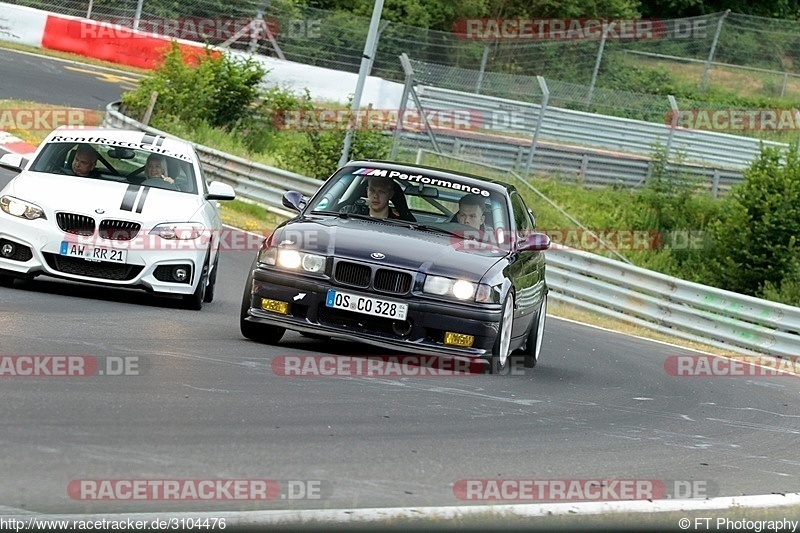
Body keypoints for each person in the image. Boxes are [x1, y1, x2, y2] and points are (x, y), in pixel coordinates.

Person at [340, 176, 406, 219]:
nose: (375, 196)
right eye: (372, 190)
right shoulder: (349, 214)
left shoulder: (399, 223)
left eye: (381, 192)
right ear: (367, 191)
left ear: (390, 194)